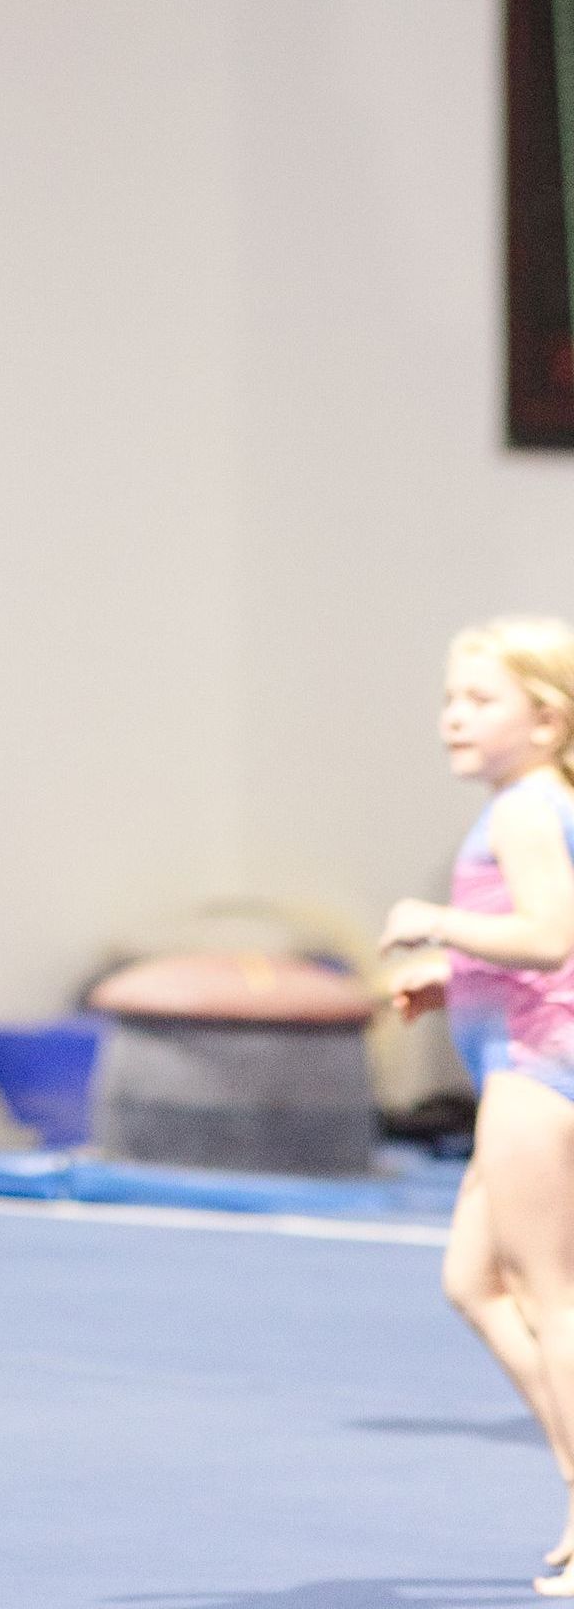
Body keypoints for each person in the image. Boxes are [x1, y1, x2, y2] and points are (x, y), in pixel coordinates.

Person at [384, 618, 574, 1596]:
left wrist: (437, 923)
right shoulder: (533, 802)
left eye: (481, 701)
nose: (454, 717)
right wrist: (452, 977)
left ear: (546, 719)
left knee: (553, 1297)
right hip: (529, 1055)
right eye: (452, 698)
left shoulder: (526, 810)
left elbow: (548, 938)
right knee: (473, 1280)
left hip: (538, 1075)